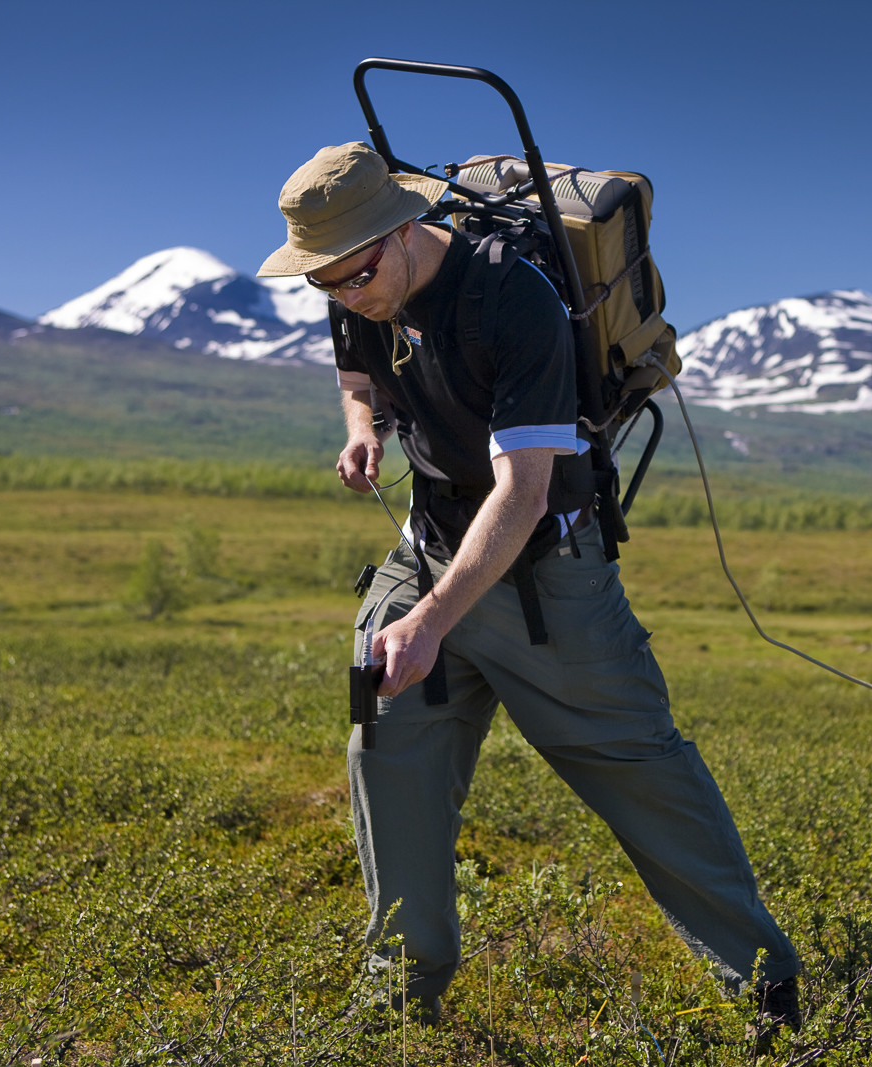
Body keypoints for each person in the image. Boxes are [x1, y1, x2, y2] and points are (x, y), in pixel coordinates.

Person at [256, 142, 799, 1027]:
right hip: (427, 545)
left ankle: (771, 991)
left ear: (402, 231)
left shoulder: (512, 296)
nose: (346, 297)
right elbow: (359, 377)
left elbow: (524, 491)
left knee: (645, 779)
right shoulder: (349, 279)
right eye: (326, 285)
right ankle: (400, 1000)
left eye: (355, 278)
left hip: (547, 575)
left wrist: (430, 622)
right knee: (386, 757)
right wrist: (367, 430)